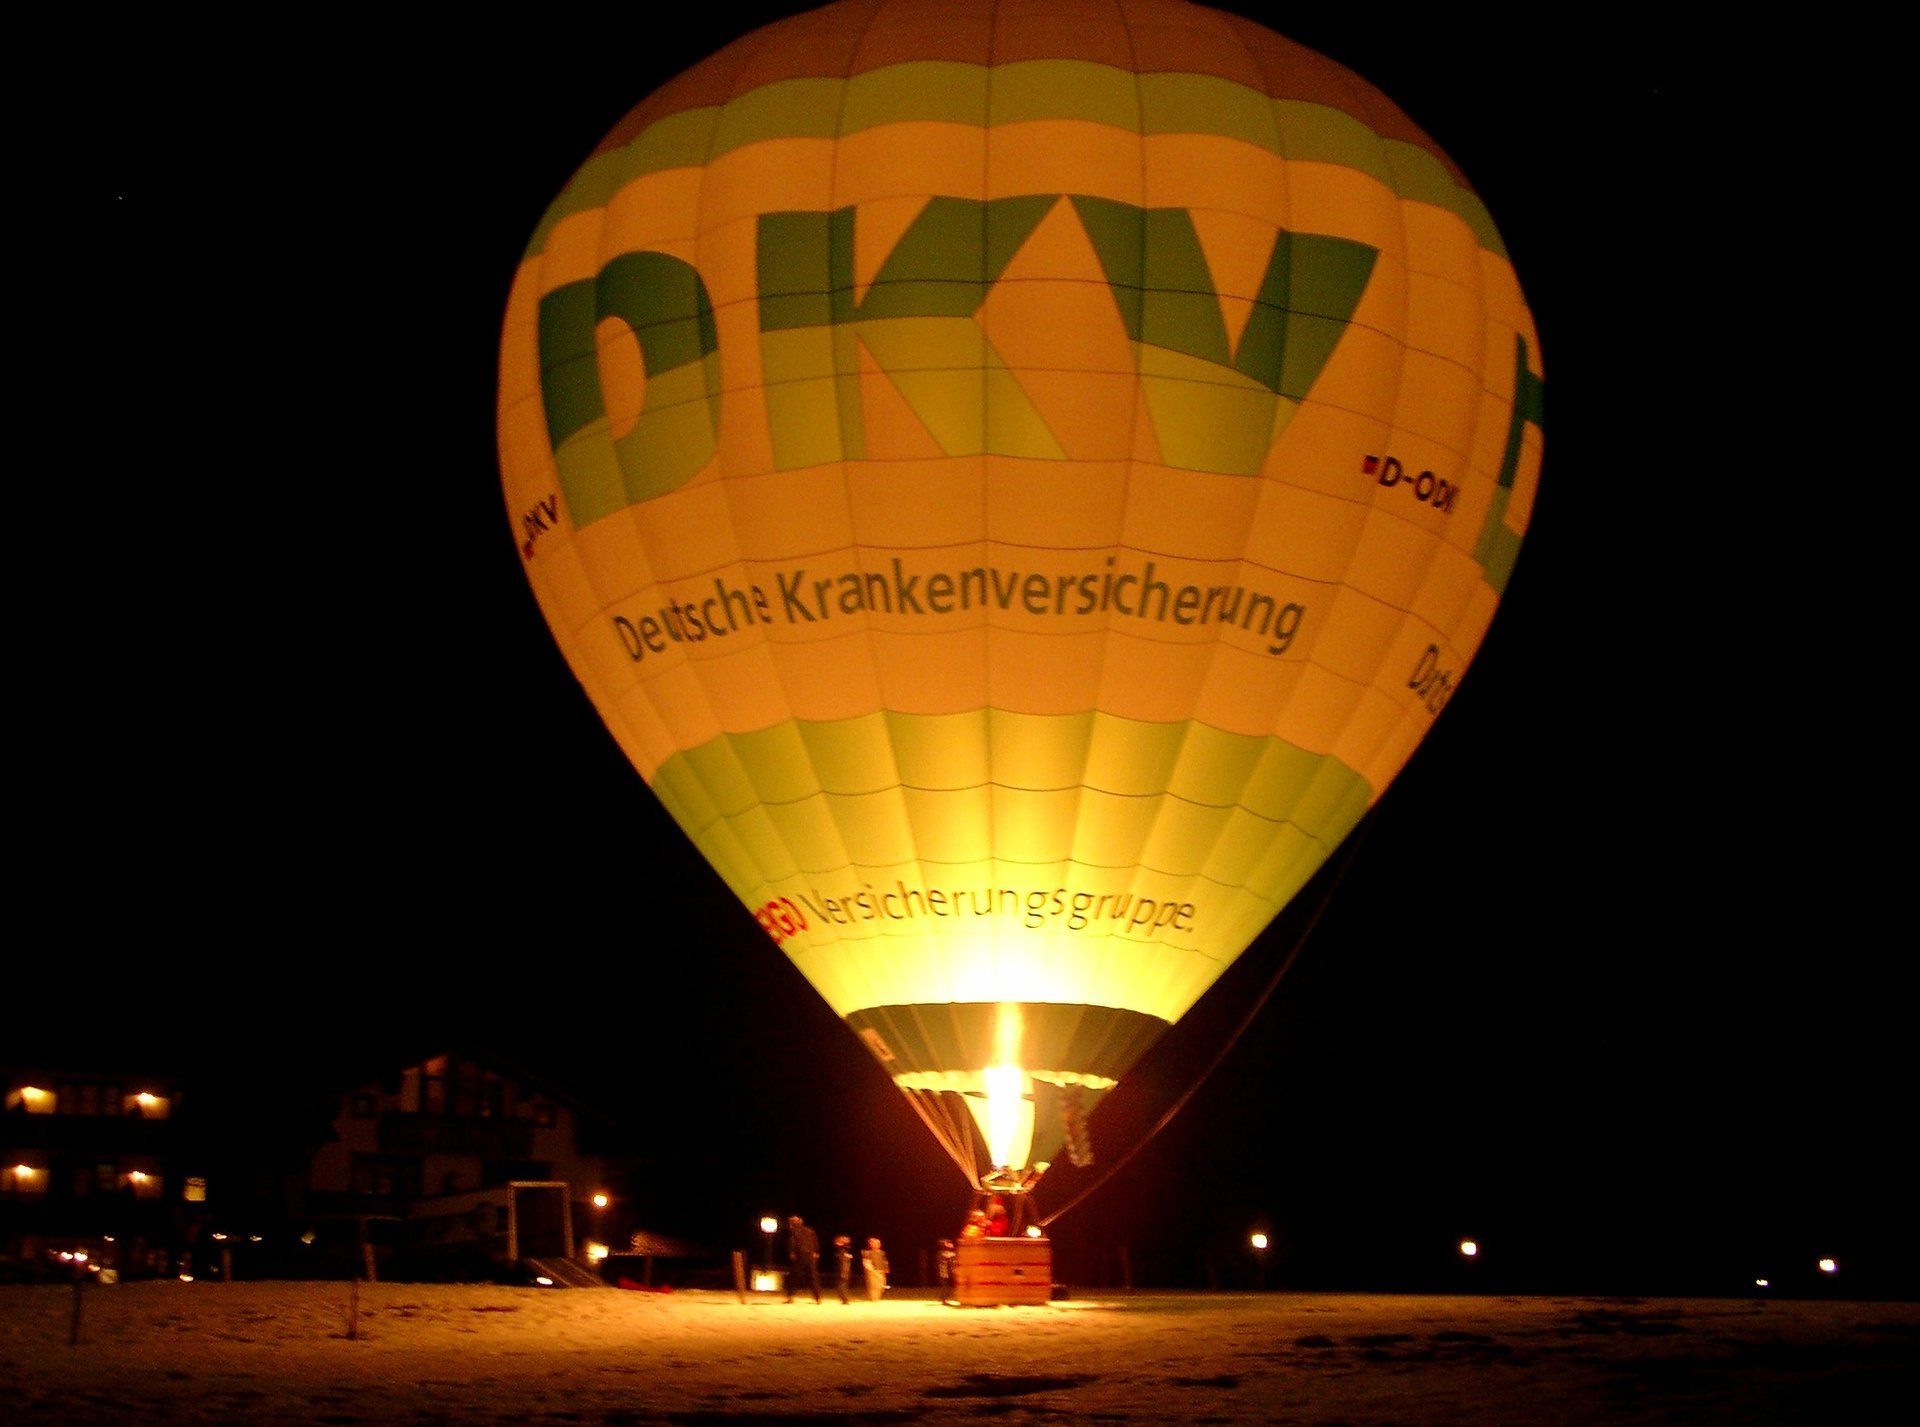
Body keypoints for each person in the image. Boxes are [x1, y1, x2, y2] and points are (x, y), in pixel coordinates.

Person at [785, 1215, 821, 1303]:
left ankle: (790, 1296)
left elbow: (792, 1242)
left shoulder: (794, 1231)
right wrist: (816, 1251)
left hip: (801, 1254)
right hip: (810, 1255)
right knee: (813, 1276)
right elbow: (815, 1241)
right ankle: (818, 1297)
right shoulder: (809, 1230)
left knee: (795, 1275)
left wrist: (791, 1252)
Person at [861, 1236, 889, 1301]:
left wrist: (886, 1268)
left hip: (881, 1271)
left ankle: (877, 1297)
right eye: (875, 1243)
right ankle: (874, 1298)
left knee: (881, 1285)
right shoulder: (868, 1252)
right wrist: (871, 1270)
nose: (877, 1245)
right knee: (873, 1286)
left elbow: (885, 1261)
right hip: (872, 1271)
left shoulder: (882, 1253)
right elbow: (866, 1262)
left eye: (878, 1243)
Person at [833, 1234, 853, 1304]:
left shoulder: (845, 1248)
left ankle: (844, 1298)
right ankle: (844, 1299)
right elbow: (840, 1258)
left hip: (845, 1268)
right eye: (844, 1238)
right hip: (841, 1268)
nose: (847, 1240)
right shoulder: (840, 1248)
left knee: (843, 1283)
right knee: (842, 1283)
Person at [936, 1238, 957, 1305]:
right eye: (948, 1243)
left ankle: (943, 1297)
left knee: (947, 1286)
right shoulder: (943, 1253)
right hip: (944, 1272)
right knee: (945, 1286)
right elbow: (949, 1256)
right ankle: (943, 1298)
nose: (951, 1244)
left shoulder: (948, 1253)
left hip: (947, 1272)